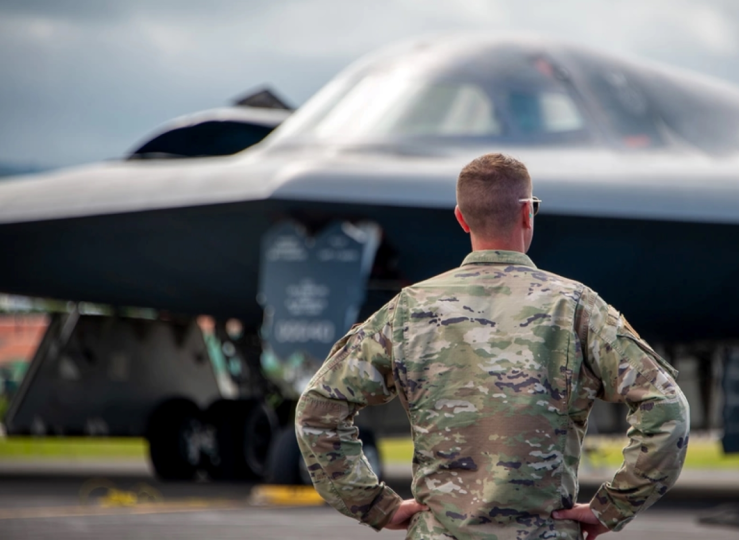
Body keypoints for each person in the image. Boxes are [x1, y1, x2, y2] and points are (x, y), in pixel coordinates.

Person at [296, 153, 690, 539]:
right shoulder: (575, 308)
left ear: (461, 218)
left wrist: (375, 505)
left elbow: (317, 411)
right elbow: (666, 406)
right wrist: (612, 508)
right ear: (527, 213)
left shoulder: (408, 310)